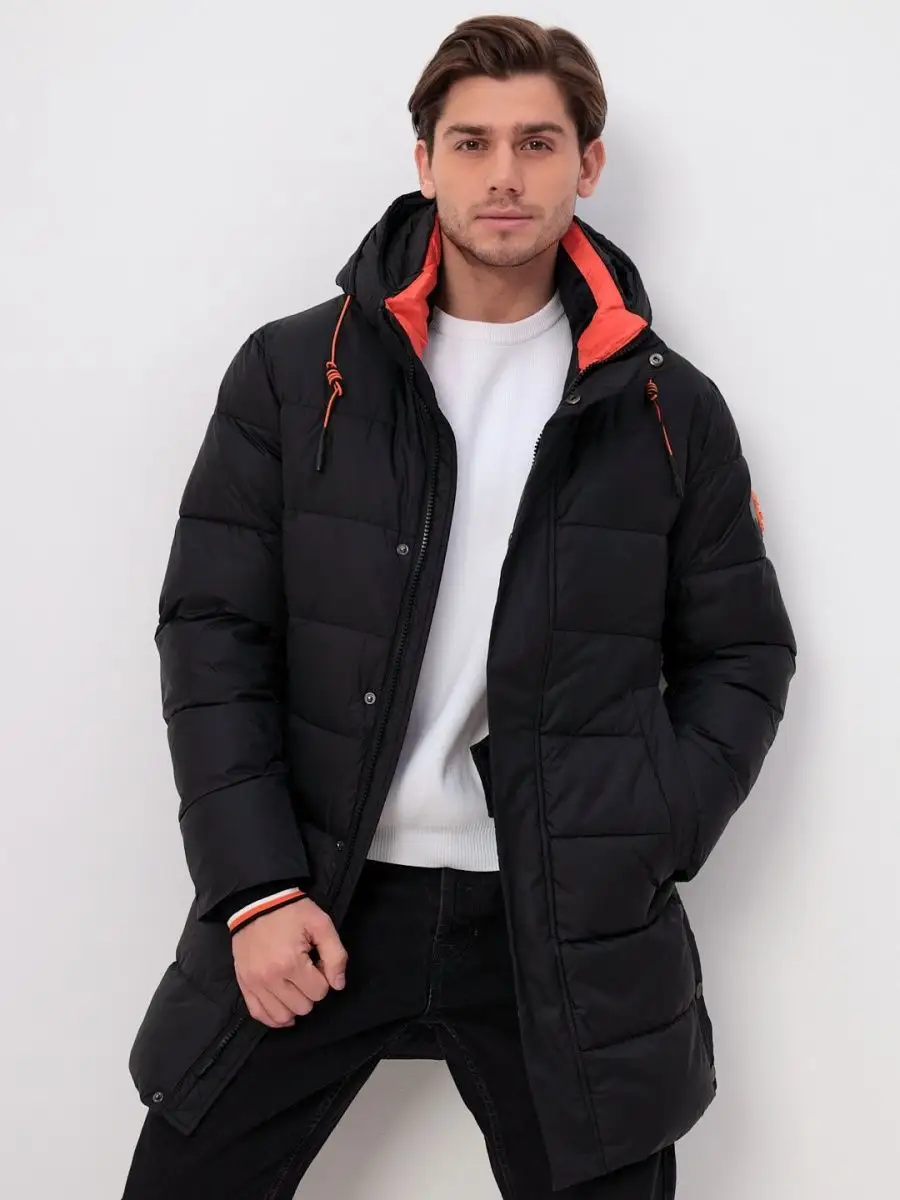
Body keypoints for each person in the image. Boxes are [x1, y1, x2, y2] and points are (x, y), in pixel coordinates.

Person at [121, 14, 796, 1199]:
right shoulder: (297, 375)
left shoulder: (667, 409)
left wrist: (646, 832)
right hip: (326, 894)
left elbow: (743, 652)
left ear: (588, 164)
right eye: (472, 142)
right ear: (424, 160)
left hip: (560, 916)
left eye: (539, 142)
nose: (504, 175)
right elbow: (214, 634)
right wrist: (255, 890)